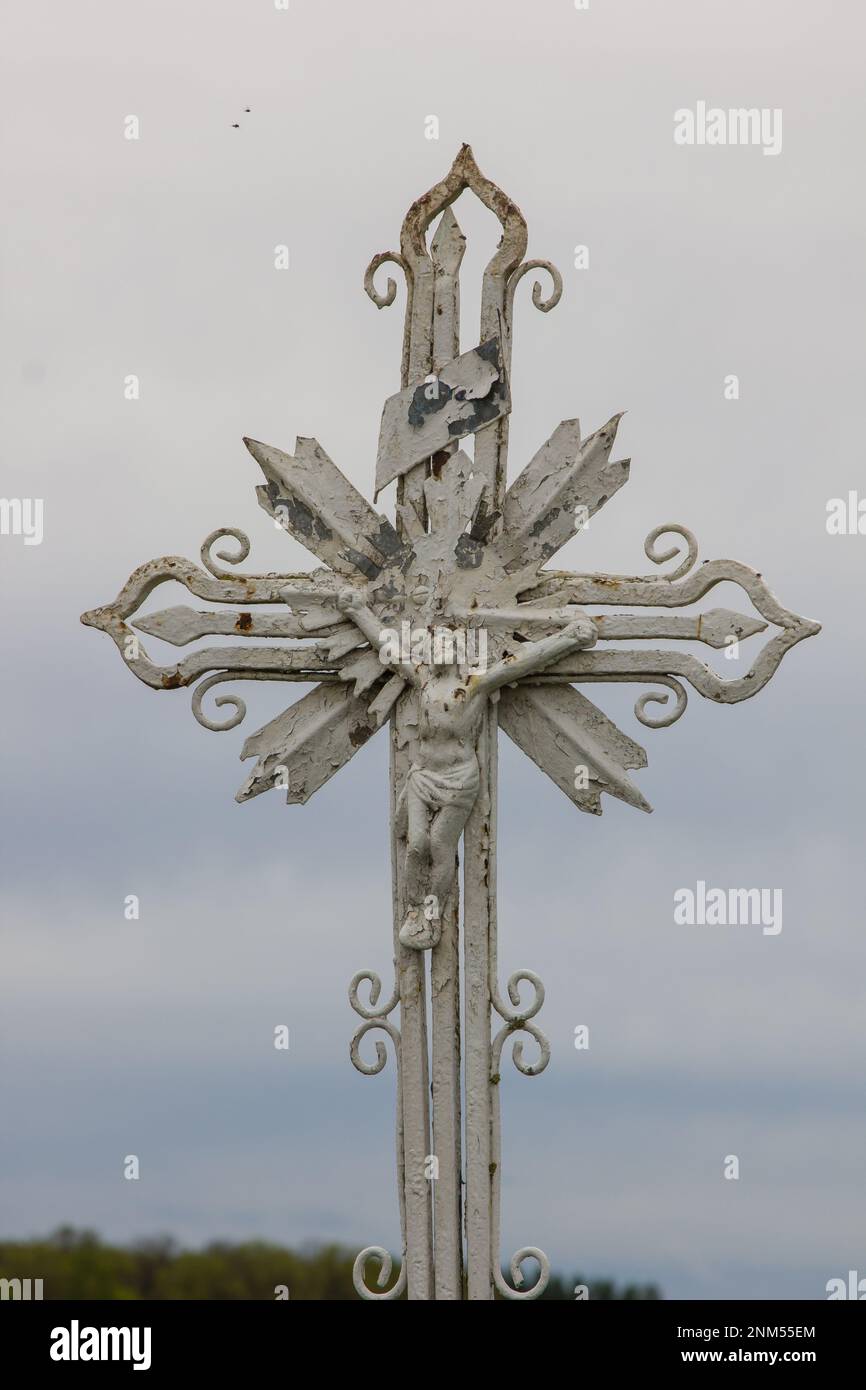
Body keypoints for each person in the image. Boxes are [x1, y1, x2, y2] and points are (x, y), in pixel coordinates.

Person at [337, 588, 597, 950]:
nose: (441, 648)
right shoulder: (423, 682)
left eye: (448, 644)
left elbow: (523, 661)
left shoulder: (474, 687)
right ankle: (414, 910)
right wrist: (358, 611)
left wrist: (569, 639)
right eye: (436, 644)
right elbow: (391, 651)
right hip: (423, 776)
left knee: (440, 847)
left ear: (461, 652)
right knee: (415, 846)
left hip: (459, 780)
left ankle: (433, 914)